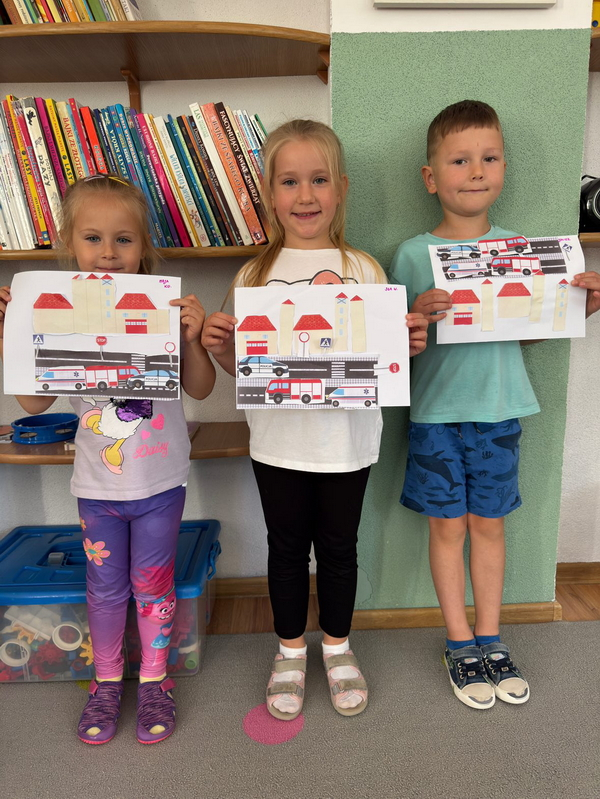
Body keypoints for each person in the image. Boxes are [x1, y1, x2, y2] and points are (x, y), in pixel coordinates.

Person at [201, 119, 428, 720]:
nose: (305, 196)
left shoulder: (365, 269)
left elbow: (383, 359)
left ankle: (338, 647)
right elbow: (241, 368)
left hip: (348, 443)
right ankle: (289, 651)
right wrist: (221, 348)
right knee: (284, 550)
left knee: (339, 549)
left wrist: (406, 347)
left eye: (320, 180)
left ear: (342, 188)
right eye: (290, 181)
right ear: (270, 194)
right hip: (277, 443)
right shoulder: (253, 276)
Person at [390, 99, 600, 711]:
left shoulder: (522, 251)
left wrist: (580, 309)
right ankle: (458, 642)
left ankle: (491, 638)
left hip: (501, 411)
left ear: (505, 167)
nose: (476, 170)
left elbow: (523, 333)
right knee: (447, 527)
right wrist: (416, 317)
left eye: (489, 157)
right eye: (460, 160)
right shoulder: (411, 254)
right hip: (435, 414)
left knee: (489, 525)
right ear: (431, 177)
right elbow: (393, 349)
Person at [0, 174, 215, 744]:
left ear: (143, 246)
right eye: (92, 238)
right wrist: (11, 337)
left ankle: (155, 682)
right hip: (97, 488)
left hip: (161, 484)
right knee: (104, 590)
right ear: (70, 244)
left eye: (124, 239)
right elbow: (33, 403)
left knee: (154, 588)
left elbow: (200, 388)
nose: (109, 252)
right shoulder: (59, 312)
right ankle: (106, 682)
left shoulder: (163, 309)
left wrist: (192, 339)